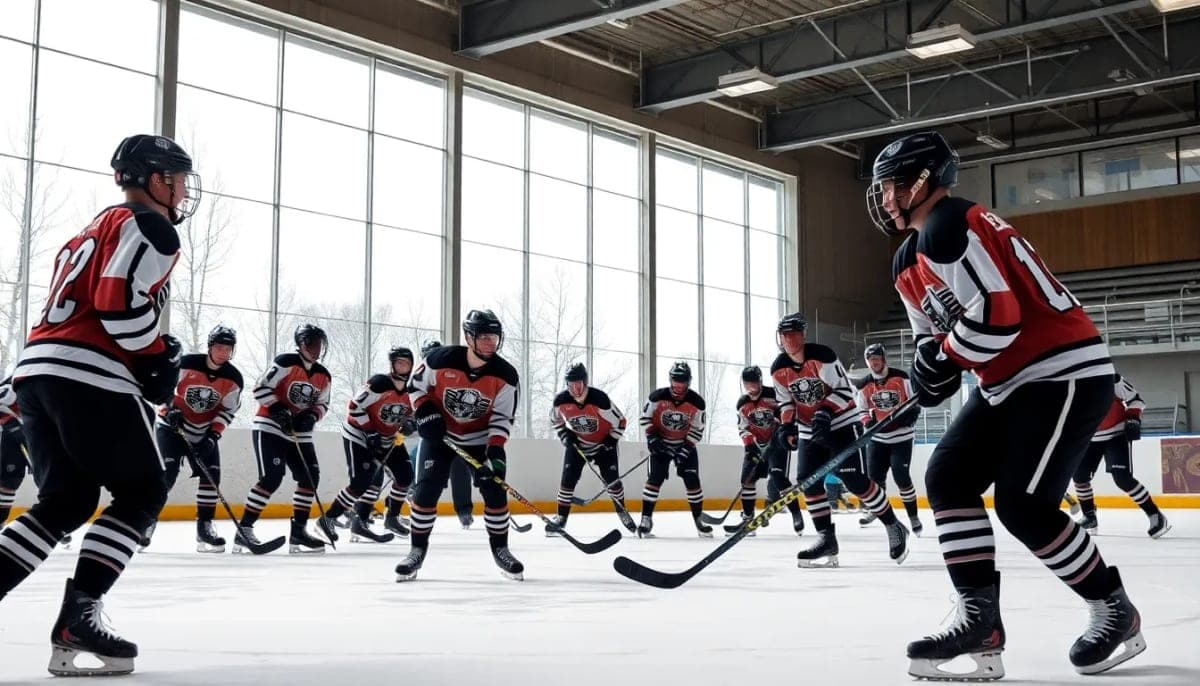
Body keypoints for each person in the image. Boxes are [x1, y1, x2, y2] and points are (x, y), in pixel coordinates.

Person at [869, 130, 1143, 679]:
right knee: (947, 475)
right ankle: (980, 621)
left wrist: (944, 357)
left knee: (1024, 506)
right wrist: (931, 366)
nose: (888, 197)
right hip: (1009, 382)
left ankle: (1115, 609)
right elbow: (934, 335)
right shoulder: (908, 258)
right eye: (884, 187)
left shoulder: (948, 227)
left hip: (1062, 371)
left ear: (927, 181)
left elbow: (1000, 316)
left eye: (898, 184)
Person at [0, 134, 198, 676]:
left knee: (64, 501)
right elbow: (118, 306)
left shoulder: (87, 231)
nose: (182, 191)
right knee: (141, 491)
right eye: (178, 179)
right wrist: (158, 359)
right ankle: (79, 615)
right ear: (157, 179)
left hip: (37, 372)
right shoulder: (150, 226)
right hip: (90, 375)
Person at [770, 312, 908, 568]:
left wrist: (824, 411)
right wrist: (787, 425)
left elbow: (845, 391)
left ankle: (894, 525)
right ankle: (826, 539)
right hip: (809, 430)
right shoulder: (778, 369)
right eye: (785, 335)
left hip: (842, 424)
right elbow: (786, 401)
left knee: (855, 481)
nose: (789, 339)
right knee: (808, 483)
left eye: (794, 334)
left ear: (803, 335)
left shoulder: (822, 356)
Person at [396, 309, 522, 581]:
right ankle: (416, 550)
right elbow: (415, 387)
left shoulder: (506, 375)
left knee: (495, 489)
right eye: (484, 337)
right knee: (426, 491)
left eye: (495, 338)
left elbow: (502, 417)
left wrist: (496, 451)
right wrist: (424, 412)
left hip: (480, 440)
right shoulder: (439, 360)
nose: (491, 343)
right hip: (441, 437)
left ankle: (501, 550)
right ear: (469, 337)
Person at [236, 324, 332, 554]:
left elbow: (323, 403)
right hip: (270, 427)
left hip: (301, 434)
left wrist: (311, 415)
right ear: (300, 344)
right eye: (312, 343)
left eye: (319, 344)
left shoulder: (323, 375)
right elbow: (260, 388)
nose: (316, 348)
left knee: (310, 477)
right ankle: (244, 531)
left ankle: (298, 532)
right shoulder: (286, 362)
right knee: (272, 477)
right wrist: (278, 408)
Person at [146, 325, 243, 553]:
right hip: (171, 429)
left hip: (204, 432)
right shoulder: (186, 363)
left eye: (227, 348)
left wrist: (212, 436)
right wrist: (168, 411)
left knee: (212, 476)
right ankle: (146, 522)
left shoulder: (233, 378)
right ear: (210, 347)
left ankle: (204, 529)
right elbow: (162, 390)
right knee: (165, 476)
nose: (223, 352)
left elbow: (227, 411)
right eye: (219, 347)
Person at [322, 346, 417, 543]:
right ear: (391, 364)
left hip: (388, 436)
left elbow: (415, 413)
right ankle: (328, 519)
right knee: (363, 481)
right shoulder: (379, 383)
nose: (402, 367)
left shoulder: (413, 389)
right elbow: (354, 407)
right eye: (399, 362)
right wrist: (370, 431)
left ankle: (390, 518)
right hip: (358, 434)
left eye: (406, 363)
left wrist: (411, 423)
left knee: (405, 475)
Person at [1072, 373, 1169, 538]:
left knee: (1122, 478)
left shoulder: (1110, 378)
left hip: (1116, 434)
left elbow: (1136, 400)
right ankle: (1089, 517)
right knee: (1080, 477)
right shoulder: (1066, 385)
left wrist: (1133, 418)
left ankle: (1155, 514)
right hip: (1088, 437)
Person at [547, 363, 632, 534]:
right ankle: (561, 518)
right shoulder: (560, 401)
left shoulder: (600, 399)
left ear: (585, 383)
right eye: (571, 385)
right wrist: (565, 435)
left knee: (613, 481)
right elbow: (555, 421)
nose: (576, 389)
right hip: (578, 445)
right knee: (567, 480)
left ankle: (622, 511)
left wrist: (610, 441)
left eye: (578, 384)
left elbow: (621, 422)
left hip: (603, 446)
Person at [854, 343, 923, 535]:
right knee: (874, 480)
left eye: (877, 359)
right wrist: (867, 421)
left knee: (902, 478)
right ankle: (875, 510)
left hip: (902, 438)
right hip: (878, 439)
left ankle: (913, 517)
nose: (874, 363)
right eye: (871, 360)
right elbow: (861, 409)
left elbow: (914, 400)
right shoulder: (864, 384)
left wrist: (912, 414)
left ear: (883, 359)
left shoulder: (901, 377)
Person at [637, 362, 709, 538]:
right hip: (661, 443)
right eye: (675, 380)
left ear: (688, 382)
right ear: (670, 379)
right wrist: (652, 437)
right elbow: (644, 418)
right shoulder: (656, 397)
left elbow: (697, 429)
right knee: (655, 478)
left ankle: (698, 519)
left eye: (682, 381)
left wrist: (685, 449)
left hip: (684, 444)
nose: (678, 384)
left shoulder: (697, 402)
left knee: (692, 479)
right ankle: (646, 518)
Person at [736, 366, 804, 535]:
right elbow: (743, 427)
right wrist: (749, 444)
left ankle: (796, 514)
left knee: (778, 476)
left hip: (777, 444)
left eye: (754, 383)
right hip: (757, 447)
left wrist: (782, 424)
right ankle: (748, 518)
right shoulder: (742, 403)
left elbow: (790, 411)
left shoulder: (773, 395)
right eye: (748, 384)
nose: (751, 387)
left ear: (760, 381)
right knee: (747, 479)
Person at [415, 339, 476, 528]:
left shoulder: (453, 375)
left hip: (454, 433)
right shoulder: (418, 378)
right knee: (423, 469)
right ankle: (416, 499)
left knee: (460, 468)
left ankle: (464, 510)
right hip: (432, 436)